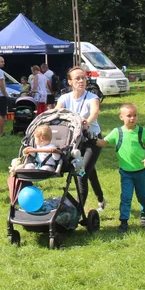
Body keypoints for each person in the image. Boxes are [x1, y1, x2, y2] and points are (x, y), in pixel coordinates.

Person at [96, 103, 145, 233]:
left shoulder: (141, 131)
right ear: (121, 117)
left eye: (135, 115)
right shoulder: (117, 132)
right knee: (126, 197)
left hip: (141, 172)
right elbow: (102, 142)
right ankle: (123, 221)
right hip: (126, 173)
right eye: (129, 116)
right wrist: (89, 136)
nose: (132, 118)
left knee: (143, 196)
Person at [56, 66, 106, 210]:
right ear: (70, 82)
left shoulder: (92, 97)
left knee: (81, 173)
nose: (81, 81)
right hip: (74, 141)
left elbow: (94, 113)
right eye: (77, 78)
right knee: (89, 171)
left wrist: (86, 123)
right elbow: (57, 111)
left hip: (92, 139)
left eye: (83, 78)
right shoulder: (64, 98)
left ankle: (78, 210)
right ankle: (101, 199)